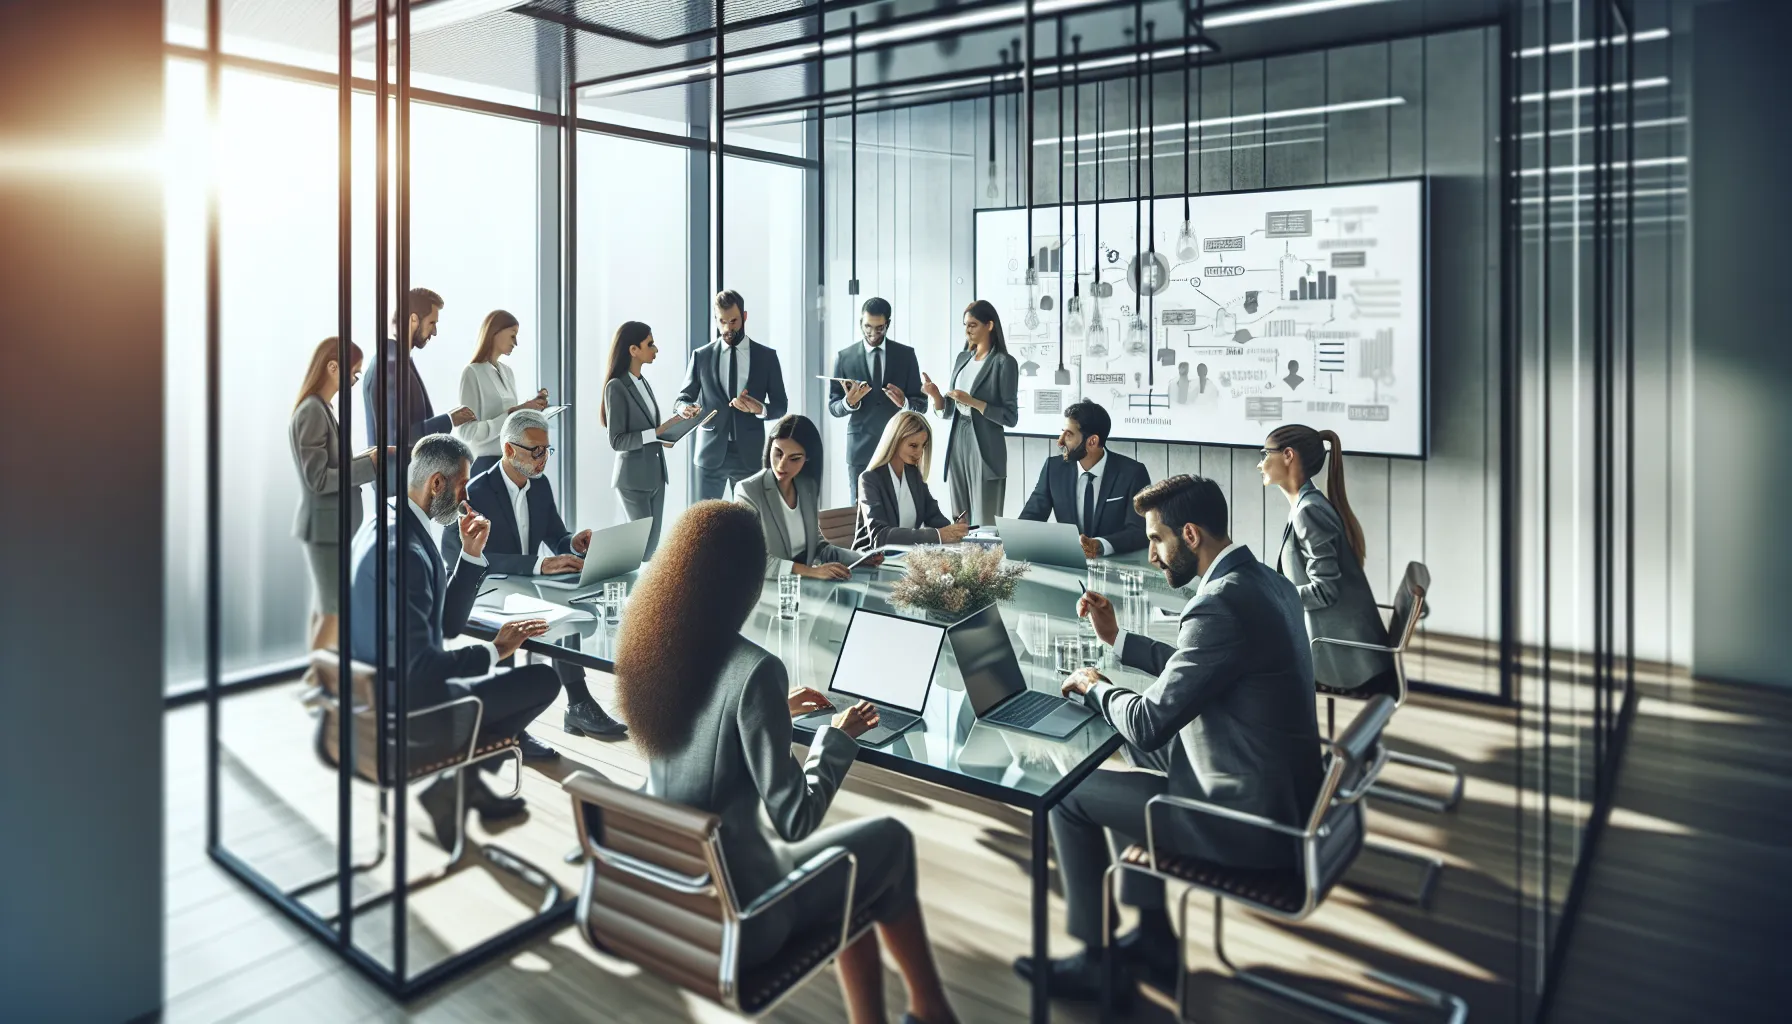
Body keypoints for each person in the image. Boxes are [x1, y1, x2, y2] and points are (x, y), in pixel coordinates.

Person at [613, 500, 961, 1024]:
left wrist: (772, 710)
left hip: (670, 898)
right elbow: (795, 819)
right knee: (887, 842)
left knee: (860, 871)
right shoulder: (756, 670)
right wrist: (836, 737)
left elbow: (695, 742)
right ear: (747, 582)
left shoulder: (652, 649)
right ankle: (932, 1011)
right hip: (745, 913)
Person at [1013, 475, 1331, 1003]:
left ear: (1189, 534)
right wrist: (1117, 641)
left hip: (1244, 822)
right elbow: (1207, 664)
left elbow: (1148, 722)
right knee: (1102, 755)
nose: (1153, 555)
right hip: (1272, 785)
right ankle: (1154, 936)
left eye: (1156, 540)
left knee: (1067, 797)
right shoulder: (1265, 582)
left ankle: (1096, 961)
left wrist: (1096, 686)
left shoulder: (1219, 603)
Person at [348, 433, 560, 853]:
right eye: (463, 486)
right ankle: (456, 783)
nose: (468, 500)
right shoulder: (404, 549)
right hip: (408, 712)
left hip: (375, 696)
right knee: (540, 682)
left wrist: (469, 555)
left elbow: (444, 626)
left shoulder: (387, 522)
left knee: (512, 680)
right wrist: (495, 651)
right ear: (437, 485)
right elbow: (421, 667)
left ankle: (458, 786)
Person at [442, 409, 629, 745]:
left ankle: (578, 703)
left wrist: (572, 542)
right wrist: (537, 566)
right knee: (533, 618)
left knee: (571, 603)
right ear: (509, 450)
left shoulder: (539, 486)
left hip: (527, 586)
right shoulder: (476, 489)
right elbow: (455, 553)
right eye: (536, 451)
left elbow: (555, 534)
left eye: (546, 450)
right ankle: (509, 726)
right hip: (488, 591)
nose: (543, 459)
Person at [1259, 424, 1393, 690]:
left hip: (1344, 662)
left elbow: (1325, 591)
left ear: (1288, 456)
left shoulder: (1309, 511)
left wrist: (1276, 597)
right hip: (1338, 651)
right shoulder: (1307, 505)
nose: (1260, 464)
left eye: (1265, 454)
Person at [289, 337, 382, 652]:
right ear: (332, 367)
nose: (356, 380)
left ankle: (318, 682)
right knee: (335, 609)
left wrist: (370, 457)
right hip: (326, 530)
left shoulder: (321, 408)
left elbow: (334, 466)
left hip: (330, 528)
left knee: (326, 606)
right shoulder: (312, 410)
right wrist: (369, 466)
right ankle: (319, 682)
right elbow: (317, 479)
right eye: (354, 373)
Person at [677, 289, 789, 500]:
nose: (728, 328)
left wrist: (760, 409)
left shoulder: (767, 357)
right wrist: (685, 409)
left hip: (750, 456)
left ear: (744, 317)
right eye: (722, 322)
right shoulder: (701, 356)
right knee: (705, 527)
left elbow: (781, 405)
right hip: (709, 455)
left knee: (750, 523)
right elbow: (682, 398)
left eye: (734, 321)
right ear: (716, 320)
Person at [737, 415, 872, 581]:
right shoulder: (748, 490)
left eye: (794, 459)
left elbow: (818, 546)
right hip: (769, 590)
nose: (781, 465)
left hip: (804, 586)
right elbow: (752, 559)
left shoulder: (807, 486)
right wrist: (813, 571)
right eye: (778, 453)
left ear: (807, 458)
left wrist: (860, 558)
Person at [601, 320, 693, 560]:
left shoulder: (643, 383)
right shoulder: (617, 387)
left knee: (651, 549)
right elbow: (617, 441)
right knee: (640, 549)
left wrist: (668, 434)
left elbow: (651, 431)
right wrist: (660, 430)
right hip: (632, 479)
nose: (656, 349)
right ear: (633, 350)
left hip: (655, 475)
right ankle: (631, 594)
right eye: (650, 344)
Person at [922, 299, 1019, 524]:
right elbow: (949, 411)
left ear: (990, 325)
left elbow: (1010, 417)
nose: (967, 330)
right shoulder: (962, 359)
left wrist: (973, 402)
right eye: (965, 324)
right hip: (958, 438)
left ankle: (985, 559)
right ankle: (962, 560)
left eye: (973, 324)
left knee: (985, 522)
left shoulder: (1004, 363)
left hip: (984, 444)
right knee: (961, 518)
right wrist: (936, 395)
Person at [1017, 400, 1151, 557]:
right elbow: (1030, 519)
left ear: (1092, 441)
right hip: (1068, 565)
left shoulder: (1133, 473)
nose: (1060, 441)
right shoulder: (1053, 469)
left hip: (1118, 565)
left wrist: (1101, 545)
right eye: (1062, 432)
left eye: (1069, 435)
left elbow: (1140, 531)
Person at [362, 287, 475, 472]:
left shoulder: (399, 362)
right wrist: (449, 420)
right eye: (432, 323)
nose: (435, 332)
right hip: (401, 484)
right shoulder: (391, 366)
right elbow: (398, 439)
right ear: (413, 319)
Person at [828, 296, 927, 503]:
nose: (873, 333)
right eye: (867, 327)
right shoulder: (844, 357)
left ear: (888, 324)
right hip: (860, 449)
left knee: (897, 509)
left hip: (897, 448)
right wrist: (849, 402)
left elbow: (922, 405)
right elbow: (833, 406)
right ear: (860, 323)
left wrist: (905, 404)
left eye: (879, 328)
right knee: (860, 513)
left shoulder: (906, 356)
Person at [853, 411, 971, 549]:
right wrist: (938, 535)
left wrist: (955, 529)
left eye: (923, 446)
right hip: (872, 561)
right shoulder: (869, 479)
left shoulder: (913, 475)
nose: (920, 453)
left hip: (905, 558)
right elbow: (880, 536)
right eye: (914, 445)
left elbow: (934, 518)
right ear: (895, 440)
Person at [456, 309, 549, 477]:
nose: (516, 343)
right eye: (513, 335)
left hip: (511, 463)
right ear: (495, 332)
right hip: (485, 466)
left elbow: (512, 421)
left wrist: (530, 408)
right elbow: (467, 433)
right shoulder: (472, 373)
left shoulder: (507, 372)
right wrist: (511, 414)